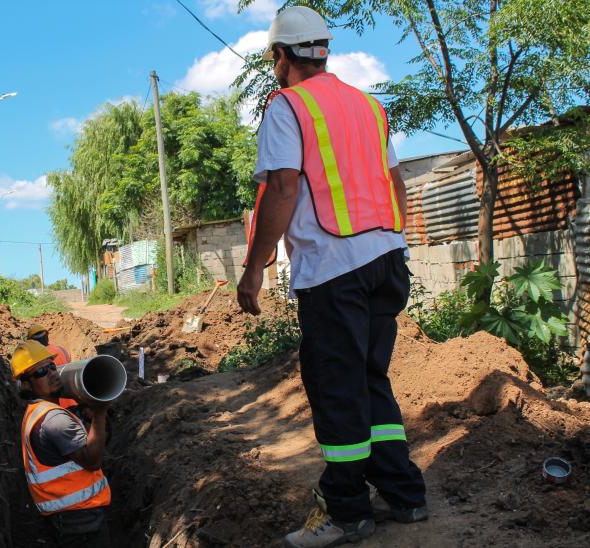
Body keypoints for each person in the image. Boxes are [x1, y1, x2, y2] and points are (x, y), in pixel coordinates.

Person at [236, 6, 427, 547]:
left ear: (280, 56)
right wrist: (391, 239)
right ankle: (404, 494)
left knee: (338, 390)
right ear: (323, 49)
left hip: (332, 271)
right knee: (371, 380)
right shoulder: (368, 105)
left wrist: (253, 269)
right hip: (388, 259)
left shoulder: (286, 106)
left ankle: (345, 511)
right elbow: (397, 182)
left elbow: (283, 189)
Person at [11, 340, 112, 548]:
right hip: (79, 521)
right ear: (26, 384)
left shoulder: (39, 412)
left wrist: (89, 417)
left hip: (68, 519)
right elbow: (92, 460)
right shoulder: (54, 419)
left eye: (51, 366)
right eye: (40, 372)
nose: (51, 373)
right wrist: (100, 413)